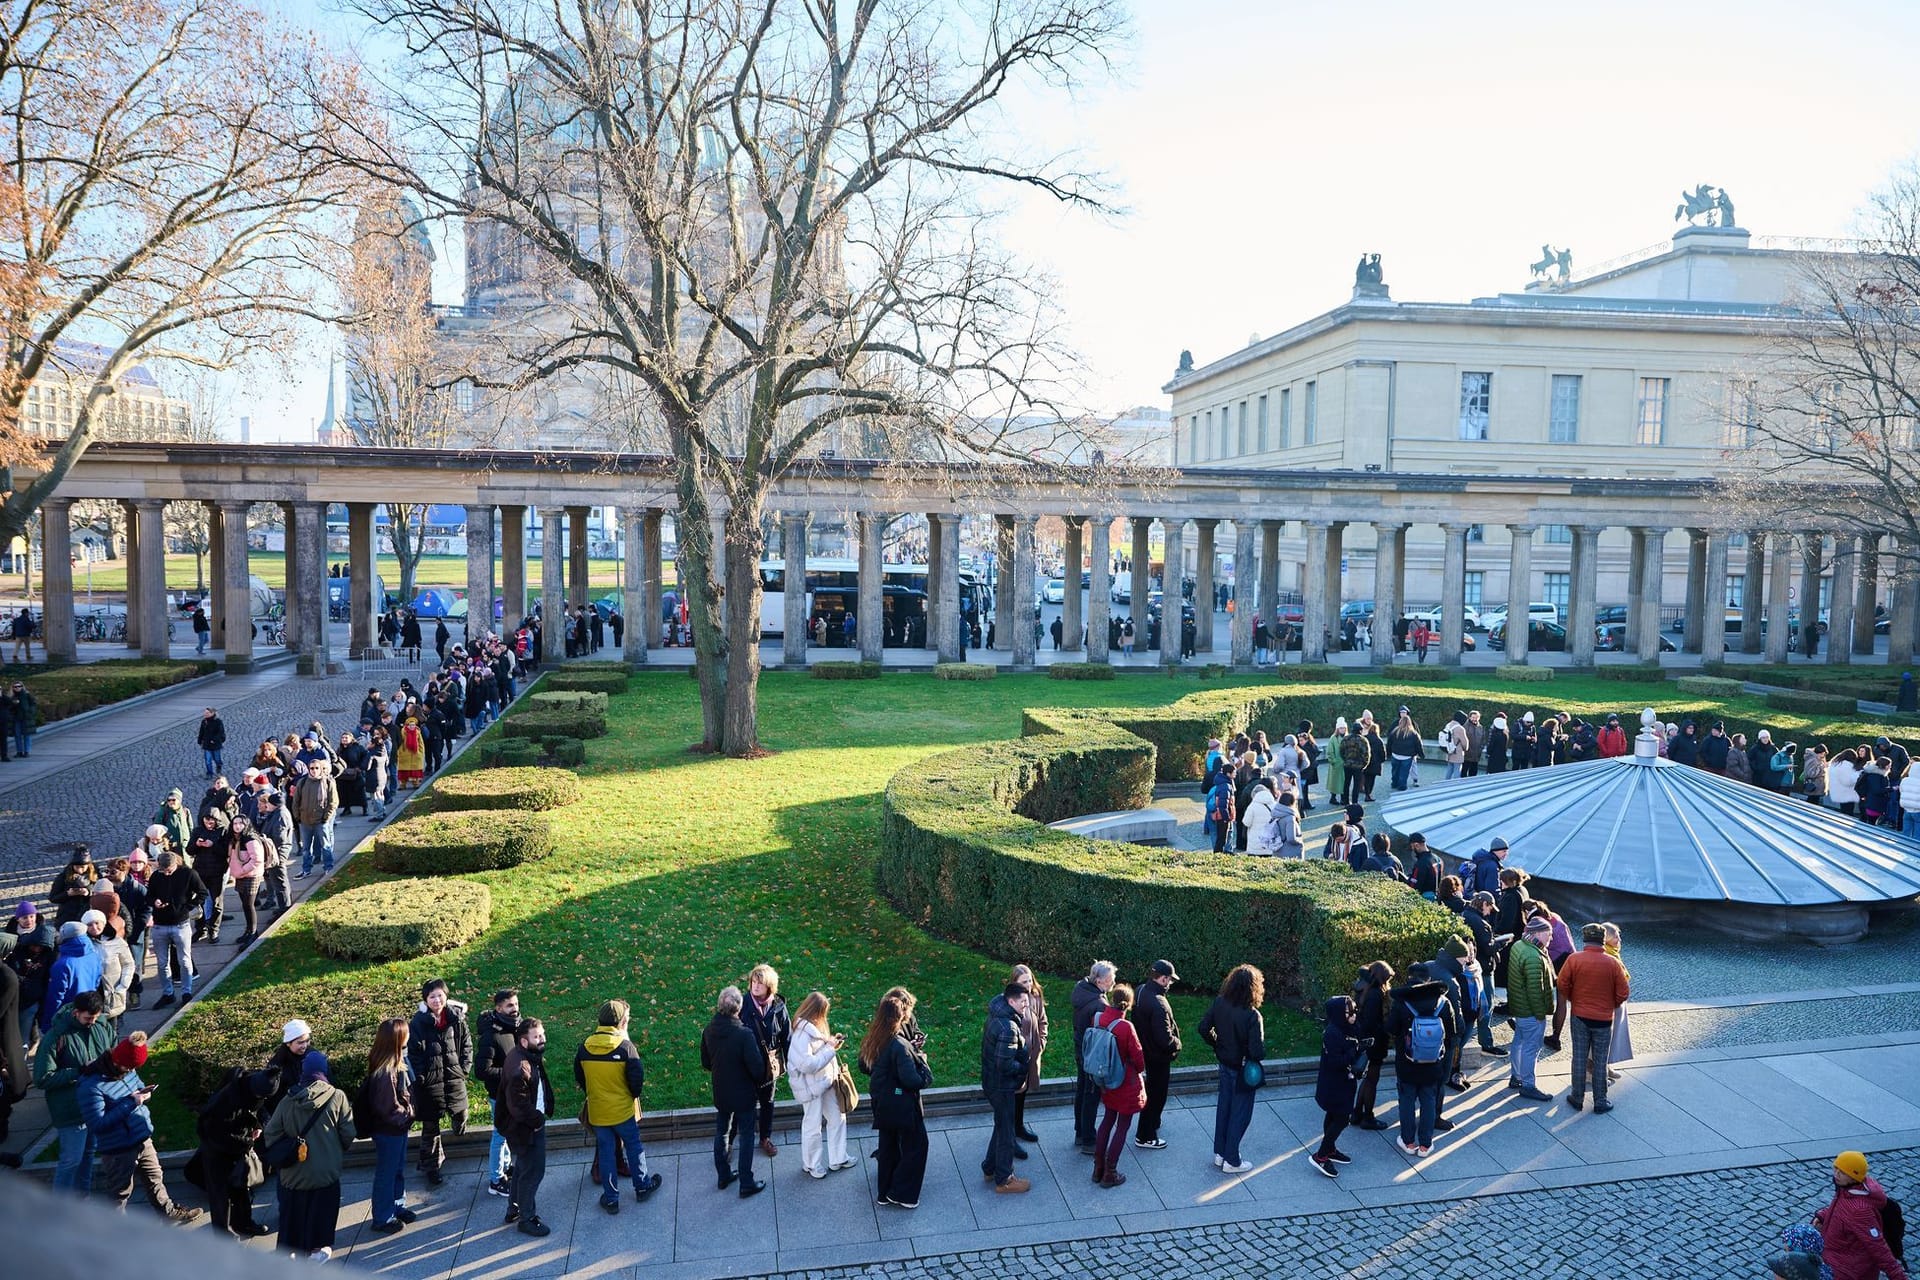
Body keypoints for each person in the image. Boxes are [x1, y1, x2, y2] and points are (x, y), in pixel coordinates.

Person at [78, 1032, 200, 1223]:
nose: (131, 1071)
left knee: (155, 1177)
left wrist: (144, 1093)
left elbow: (136, 1084)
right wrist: (131, 1103)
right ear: (117, 1060)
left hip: (141, 1136)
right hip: (118, 1148)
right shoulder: (91, 1086)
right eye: (129, 1067)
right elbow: (97, 1124)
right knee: (120, 1192)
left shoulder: (127, 1069)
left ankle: (167, 1212)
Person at [263, 1051, 355, 1262]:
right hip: (326, 1174)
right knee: (322, 1214)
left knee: (293, 1215)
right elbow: (348, 1133)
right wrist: (333, 1149)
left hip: (293, 1176)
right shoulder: (337, 1096)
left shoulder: (288, 1100)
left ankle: (292, 1252)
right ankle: (317, 1251)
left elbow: (271, 1133)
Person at [574, 998, 663, 1212]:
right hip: (622, 1112)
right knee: (634, 1146)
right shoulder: (626, 1048)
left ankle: (611, 1198)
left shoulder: (585, 1047)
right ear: (622, 1022)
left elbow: (580, 1077)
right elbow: (636, 1082)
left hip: (598, 1113)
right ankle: (642, 1186)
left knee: (606, 1153)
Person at [34, 989, 114, 1192]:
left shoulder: (101, 1026)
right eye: (88, 1018)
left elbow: (113, 1047)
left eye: (96, 1017)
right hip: (70, 1110)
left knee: (87, 1156)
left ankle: (82, 1203)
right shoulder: (56, 1036)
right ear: (76, 1012)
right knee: (71, 1161)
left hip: (95, 1106)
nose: (93, 1022)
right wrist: (78, 1072)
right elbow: (42, 1078)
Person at [860, 993, 932, 1209]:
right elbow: (914, 1080)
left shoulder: (874, 1037)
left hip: (883, 1103)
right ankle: (902, 1194)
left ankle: (884, 1194)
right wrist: (922, 1061)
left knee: (888, 1147)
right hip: (902, 1105)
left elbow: (865, 1066)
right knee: (917, 1146)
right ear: (900, 1018)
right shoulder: (899, 1045)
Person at [193, 1064, 279, 1237]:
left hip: (236, 1144)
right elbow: (219, 1134)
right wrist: (248, 1141)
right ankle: (222, 1233)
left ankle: (244, 1224)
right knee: (220, 1194)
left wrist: (258, 1126)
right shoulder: (225, 1101)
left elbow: (258, 1109)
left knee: (241, 1188)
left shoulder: (253, 1086)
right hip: (216, 1148)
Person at [1198, 963, 1266, 1175]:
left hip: (1225, 1063)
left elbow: (1203, 1028)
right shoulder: (1252, 1015)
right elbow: (1257, 1052)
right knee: (1240, 1114)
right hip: (1242, 1069)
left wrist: (1217, 1043)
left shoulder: (1220, 1003)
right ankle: (1232, 1160)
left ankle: (1220, 1153)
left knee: (1224, 1109)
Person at [702, 986, 769, 1196]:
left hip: (721, 1092)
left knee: (722, 1131)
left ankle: (723, 1176)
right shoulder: (744, 1034)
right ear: (738, 1009)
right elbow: (757, 1069)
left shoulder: (709, 1030)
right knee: (747, 1135)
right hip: (744, 1095)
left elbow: (706, 1062)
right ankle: (746, 1182)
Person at [1557, 923, 1630, 1112]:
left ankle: (1577, 1097)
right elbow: (1623, 992)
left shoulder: (1574, 959)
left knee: (1579, 1057)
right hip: (1604, 1020)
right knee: (1601, 1060)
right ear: (1602, 940)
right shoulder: (1613, 963)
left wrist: (1575, 999)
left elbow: (1562, 984)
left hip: (1579, 1016)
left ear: (1585, 939)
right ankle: (1600, 1100)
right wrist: (1610, 1005)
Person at [1386, 961, 1457, 1157]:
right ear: (1428, 979)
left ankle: (1408, 1142)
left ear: (1409, 977)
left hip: (1407, 1061)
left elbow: (1390, 1028)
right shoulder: (1443, 1002)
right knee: (1428, 1101)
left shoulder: (1402, 1002)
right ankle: (1425, 1144)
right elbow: (1452, 1032)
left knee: (1407, 1099)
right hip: (1434, 1062)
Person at [407, 978, 472, 1185]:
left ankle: (457, 1126)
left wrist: (464, 1068)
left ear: (446, 995)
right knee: (430, 1127)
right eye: (432, 996)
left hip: (454, 1076)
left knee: (461, 1112)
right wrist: (421, 1077)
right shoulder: (418, 1023)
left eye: (440, 995)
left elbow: (466, 1045)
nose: (437, 1000)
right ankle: (431, 1167)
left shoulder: (456, 1018)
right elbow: (414, 1054)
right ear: (426, 1000)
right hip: (430, 1082)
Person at [782, 991, 852, 1180]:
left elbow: (817, 1053)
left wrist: (830, 1043)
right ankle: (812, 1164)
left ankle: (838, 1158)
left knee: (838, 1117)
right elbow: (808, 1064)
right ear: (817, 1011)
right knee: (813, 1125)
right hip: (811, 1088)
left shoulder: (813, 1027)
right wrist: (830, 1048)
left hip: (824, 1082)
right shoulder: (801, 1034)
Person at [1816, 1150, 1911, 1280]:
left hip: (1846, 1271)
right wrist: (1822, 1215)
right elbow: (1840, 1208)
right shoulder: (1847, 1190)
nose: (1836, 1174)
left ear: (1854, 1176)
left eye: (1842, 1172)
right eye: (1836, 1168)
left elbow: (1877, 1246)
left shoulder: (1860, 1210)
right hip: (1832, 1258)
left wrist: (1898, 1276)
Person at [499, 1017, 555, 1234]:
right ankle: (527, 1218)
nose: (542, 1040)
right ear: (524, 1041)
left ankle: (514, 1207)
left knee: (523, 1166)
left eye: (542, 1034)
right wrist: (538, 1122)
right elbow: (519, 1107)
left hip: (523, 1126)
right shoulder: (520, 1068)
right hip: (527, 1128)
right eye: (537, 1037)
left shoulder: (526, 1056)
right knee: (533, 1171)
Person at [364, 1017, 417, 1235]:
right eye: (405, 1033)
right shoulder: (385, 1071)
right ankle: (382, 1217)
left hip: (397, 1129)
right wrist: (408, 1115)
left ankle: (397, 1205)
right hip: (390, 1131)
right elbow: (388, 1108)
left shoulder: (397, 1060)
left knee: (397, 1169)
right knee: (387, 1172)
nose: (409, 1036)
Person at [979, 980, 1032, 1193]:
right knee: (1007, 1131)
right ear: (1011, 1001)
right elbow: (1005, 1063)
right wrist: (1024, 1066)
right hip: (1002, 1086)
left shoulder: (997, 1015)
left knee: (1001, 1125)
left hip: (992, 1082)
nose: (1026, 1006)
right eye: (1023, 1002)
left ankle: (990, 1167)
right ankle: (1004, 1179)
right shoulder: (1008, 1027)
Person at [1309, 995, 1368, 1178]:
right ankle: (1321, 1155)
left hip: (1346, 1081)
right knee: (1342, 1119)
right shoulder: (1332, 1033)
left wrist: (1362, 1047)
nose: (1353, 1014)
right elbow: (1336, 1061)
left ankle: (1330, 1149)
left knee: (1334, 1115)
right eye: (1348, 1011)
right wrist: (1355, 1051)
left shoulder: (1351, 1028)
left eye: (1354, 1010)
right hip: (1334, 1083)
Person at [738, 963, 790, 1160]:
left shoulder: (778, 1007)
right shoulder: (742, 1005)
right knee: (743, 1104)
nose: (755, 986)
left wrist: (790, 1062)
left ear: (770, 986)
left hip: (769, 1067)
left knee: (768, 1103)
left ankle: (765, 1138)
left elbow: (787, 1036)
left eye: (760, 982)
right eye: (753, 981)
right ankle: (735, 1140)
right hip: (746, 1067)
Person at [1130, 959, 1180, 1150]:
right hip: (1158, 1056)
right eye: (1170, 979)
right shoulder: (1159, 1004)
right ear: (1163, 979)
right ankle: (1145, 1135)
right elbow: (1164, 1039)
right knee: (1157, 1094)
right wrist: (1178, 1044)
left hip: (1145, 1051)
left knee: (1152, 1090)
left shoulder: (1141, 990)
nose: (1170, 983)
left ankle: (1154, 1122)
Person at [1505, 918, 1558, 1101]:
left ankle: (1516, 1076)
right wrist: (1540, 1015)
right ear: (1537, 933)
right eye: (1548, 933)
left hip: (1519, 1008)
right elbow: (1535, 991)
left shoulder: (1520, 945)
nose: (1551, 936)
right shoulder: (1534, 956)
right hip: (1530, 1012)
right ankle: (1528, 1085)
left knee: (1519, 1041)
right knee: (1531, 1048)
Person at [475, 989, 520, 1197]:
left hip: (510, 1091)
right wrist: (510, 1072)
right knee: (500, 1135)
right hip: (499, 1094)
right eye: (510, 1005)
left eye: (516, 1004)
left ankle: (506, 1166)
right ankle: (496, 1179)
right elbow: (482, 1071)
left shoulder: (512, 1027)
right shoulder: (491, 1035)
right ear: (499, 1008)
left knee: (507, 1132)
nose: (515, 1009)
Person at [1070, 960, 1115, 1153]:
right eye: (1111, 979)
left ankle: (1080, 1132)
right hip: (1091, 1055)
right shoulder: (1099, 1004)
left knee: (1082, 1091)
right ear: (1100, 981)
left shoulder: (1081, 989)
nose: (1113, 983)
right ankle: (1089, 1140)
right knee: (1091, 1095)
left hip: (1080, 1050)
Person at [1009, 964, 1048, 1144]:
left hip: (1031, 1056)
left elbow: (1042, 1022)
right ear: (1015, 982)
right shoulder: (1012, 1001)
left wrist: (1041, 1044)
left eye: (1030, 980)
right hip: (1016, 1059)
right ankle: (1010, 1133)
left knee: (1023, 1093)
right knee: (1014, 1094)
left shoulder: (1035, 998)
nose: (1028, 984)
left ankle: (1019, 1126)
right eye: (1024, 982)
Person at [290, 759, 338, 878]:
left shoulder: (328, 782)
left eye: (317, 768)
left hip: (321, 821)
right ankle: (306, 869)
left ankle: (328, 867)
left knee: (325, 846)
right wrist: (298, 817)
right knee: (306, 848)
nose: (314, 770)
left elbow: (333, 802)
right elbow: (296, 801)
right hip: (305, 821)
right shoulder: (302, 782)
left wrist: (326, 818)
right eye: (312, 768)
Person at [1602, 922, 1634, 1084]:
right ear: (1606, 939)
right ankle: (1596, 1071)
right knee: (1605, 1037)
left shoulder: (1613, 953)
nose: (1619, 939)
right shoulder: (1607, 955)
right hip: (1610, 1004)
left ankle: (1607, 1065)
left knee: (1613, 1036)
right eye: (1615, 936)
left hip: (1617, 1003)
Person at [1386, 708, 1422, 791]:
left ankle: (1394, 783)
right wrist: (1420, 754)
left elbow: (1389, 743)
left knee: (1395, 771)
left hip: (1395, 754)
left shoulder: (1395, 731)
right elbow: (1418, 745)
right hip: (1407, 756)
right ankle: (1402, 786)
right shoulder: (1413, 733)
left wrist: (1388, 753)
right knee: (1404, 772)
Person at [198, 708, 227, 777]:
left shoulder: (218, 721)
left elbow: (220, 732)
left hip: (215, 744)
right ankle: (209, 773)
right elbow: (201, 731)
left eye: (207, 713)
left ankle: (219, 765)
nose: (205, 714)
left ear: (212, 713)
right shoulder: (204, 721)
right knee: (208, 760)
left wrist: (214, 740)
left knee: (217, 758)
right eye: (205, 713)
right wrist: (200, 739)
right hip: (206, 744)